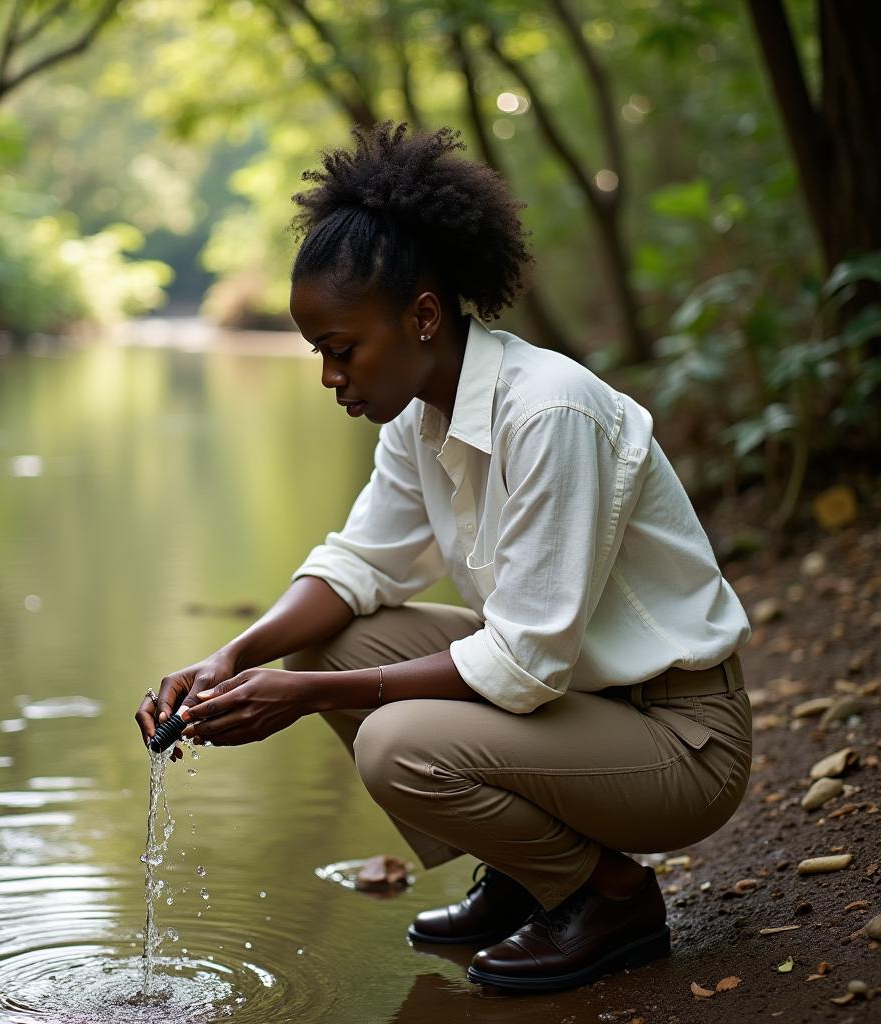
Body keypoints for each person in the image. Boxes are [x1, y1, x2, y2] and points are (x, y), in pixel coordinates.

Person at [135, 121, 753, 994]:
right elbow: (358, 566)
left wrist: (304, 696)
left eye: (341, 350)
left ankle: (608, 896)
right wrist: (233, 657)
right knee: (330, 640)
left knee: (394, 742)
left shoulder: (549, 413)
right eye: (319, 354)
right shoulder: (424, 415)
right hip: (582, 708)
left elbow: (525, 663)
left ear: (423, 315)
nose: (328, 377)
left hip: (680, 740)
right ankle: (529, 874)